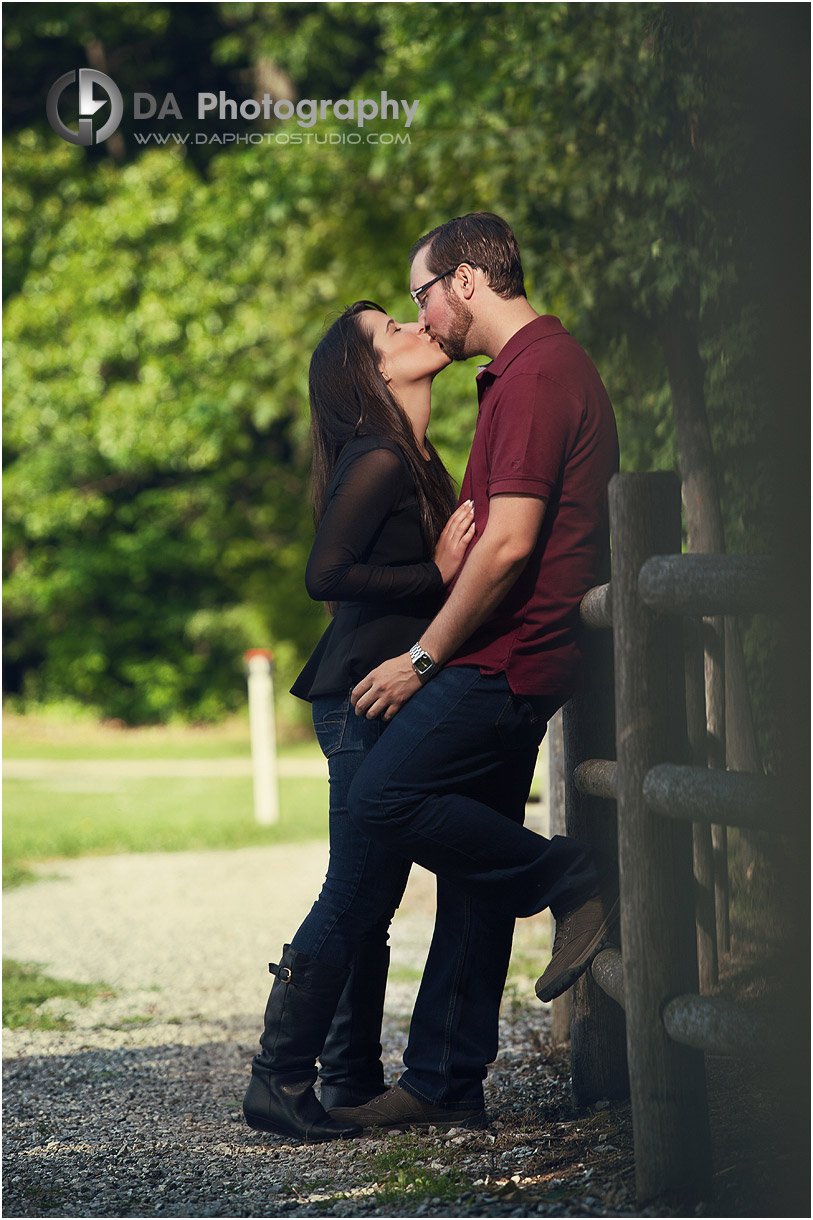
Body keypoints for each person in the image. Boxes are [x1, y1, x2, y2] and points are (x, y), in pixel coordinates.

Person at [328, 213, 621, 1134]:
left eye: (420, 294)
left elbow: (508, 547)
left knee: (380, 798)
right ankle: (444, 1080)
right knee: (473, 867)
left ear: (463, 282)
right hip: (508, 648)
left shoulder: (534, 377)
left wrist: (422, 658)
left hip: (511, 654)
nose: (422, 317)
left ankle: (573, 875)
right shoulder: (519, 376)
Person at [242, 301, 476, 1142]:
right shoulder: (377, 457)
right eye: (393, 332)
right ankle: (277, 1078)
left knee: (373, 892)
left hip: (379, 696)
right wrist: (436, 572)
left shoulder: (415, 458)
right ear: (372, 373)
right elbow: (327, 576)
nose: (417, 329)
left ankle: (345, 1075)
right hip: (360, 700)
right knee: (355, 887)